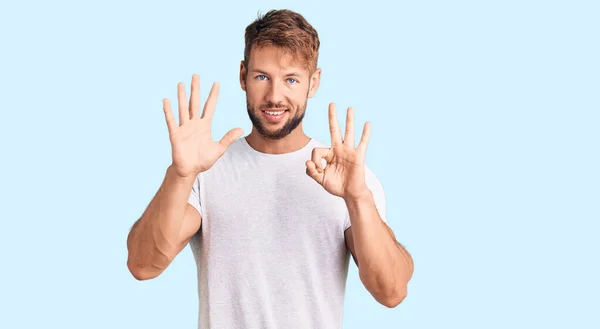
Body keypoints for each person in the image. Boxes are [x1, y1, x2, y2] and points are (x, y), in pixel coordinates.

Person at [126, 9, 414, 329]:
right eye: (262, 77)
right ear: (242, 76)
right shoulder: (205, 170)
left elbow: (391, 292)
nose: (275, 96)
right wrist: (179, 175)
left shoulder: (347, 177)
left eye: (291, 79)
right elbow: (143, 265)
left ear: (313, 82)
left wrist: (358, 198)